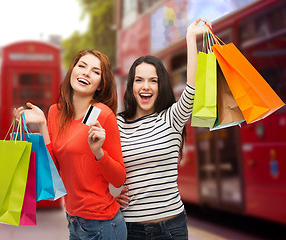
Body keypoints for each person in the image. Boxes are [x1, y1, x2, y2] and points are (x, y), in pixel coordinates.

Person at [115, 18, 211, 239]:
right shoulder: (117, 124)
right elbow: (101, 167)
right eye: (139, 80)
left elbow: (193, 87)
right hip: (130, 229)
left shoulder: (172, 118)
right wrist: (110, 194)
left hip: (172, 228)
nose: (146, 86)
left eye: (153, 81)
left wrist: (190, 37)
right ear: (131, 86)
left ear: (161, 86)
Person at [15, 49, 127, 240]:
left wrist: (98, 152)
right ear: (72, 71)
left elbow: (118, 179)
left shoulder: (102, 114)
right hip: (74, 221)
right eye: (81, 66)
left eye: (95, 71)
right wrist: (42, 124)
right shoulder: (55, 113)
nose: (85, 72)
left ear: (101, 85)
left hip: (103, 225)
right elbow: (54, 169)